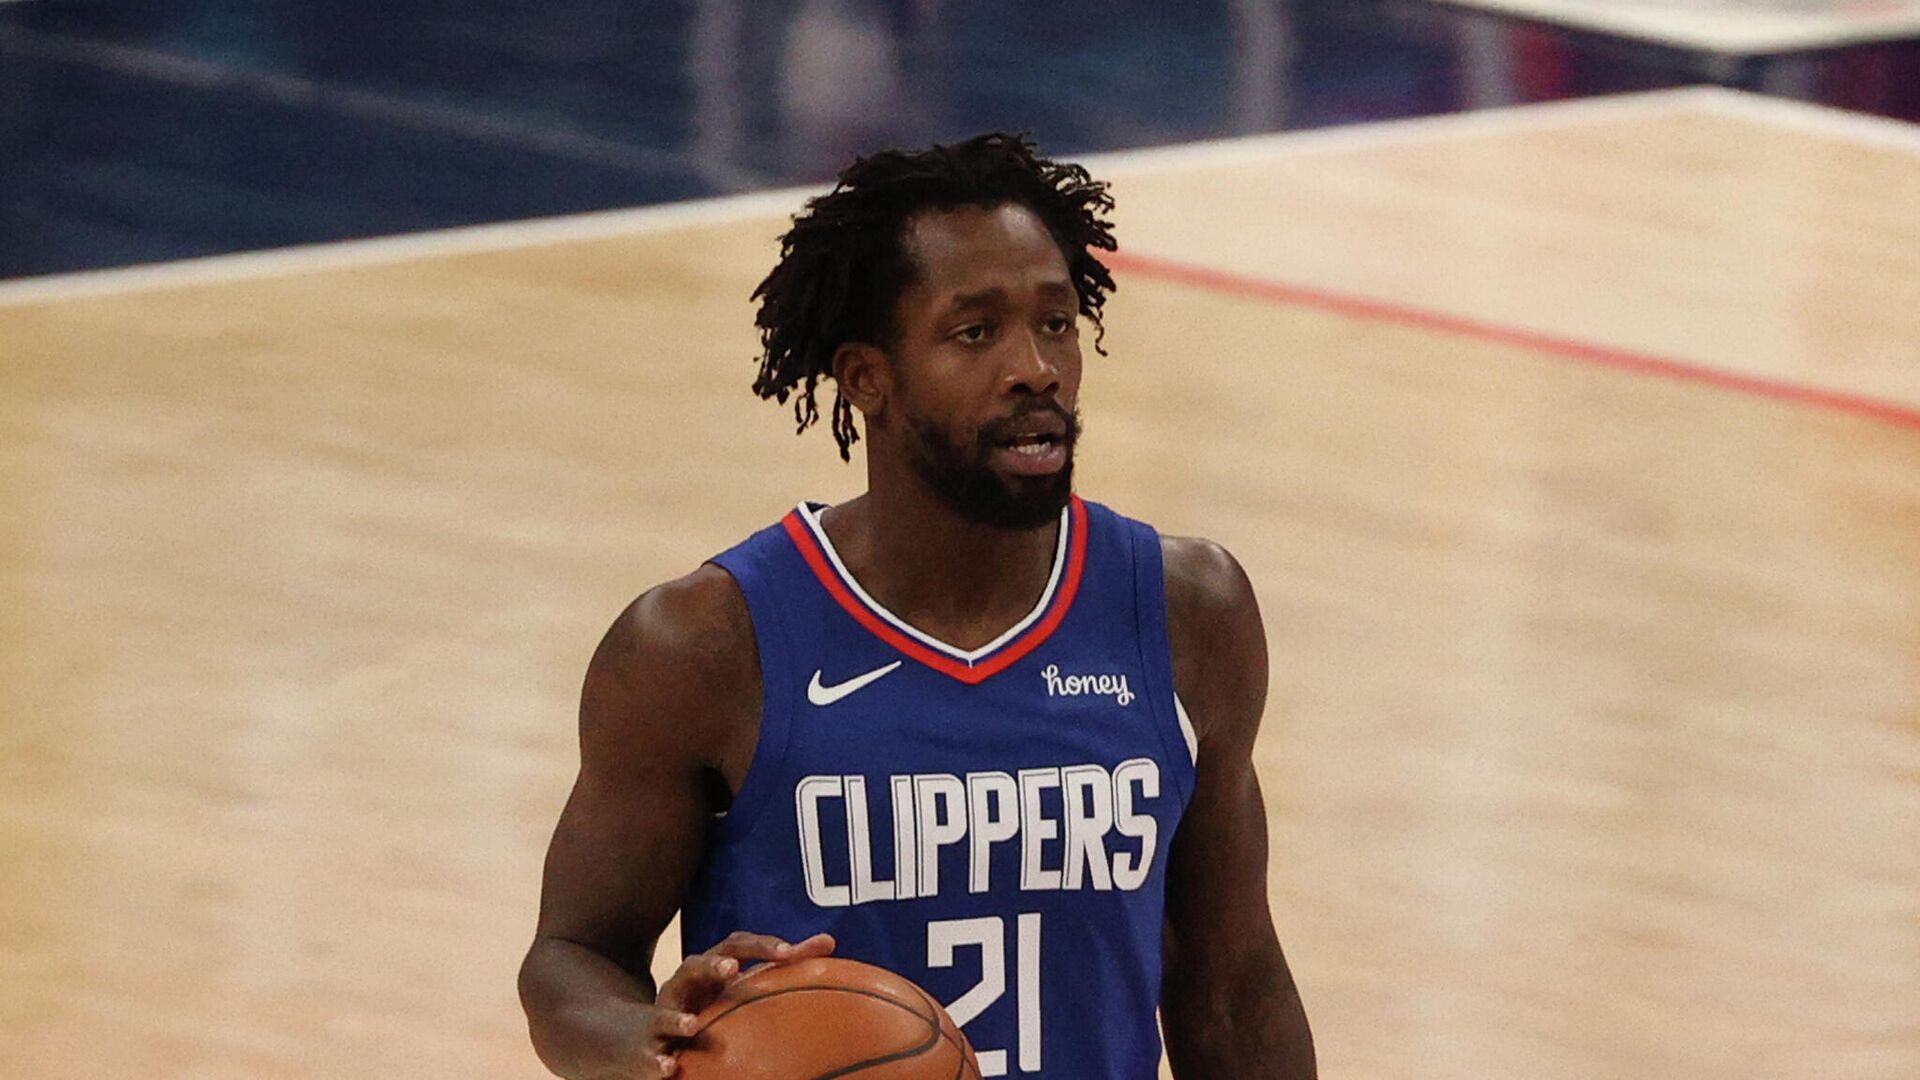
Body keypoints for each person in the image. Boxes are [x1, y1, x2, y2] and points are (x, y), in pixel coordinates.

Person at [517, 132, 1315, 1079]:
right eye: (975, 332)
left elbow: (1232, 981)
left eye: (1056, 323)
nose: (1036, 368)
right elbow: (571, 957)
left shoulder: (1188, 613)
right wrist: (636, 1037)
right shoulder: (703, 647)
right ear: (866, 377)